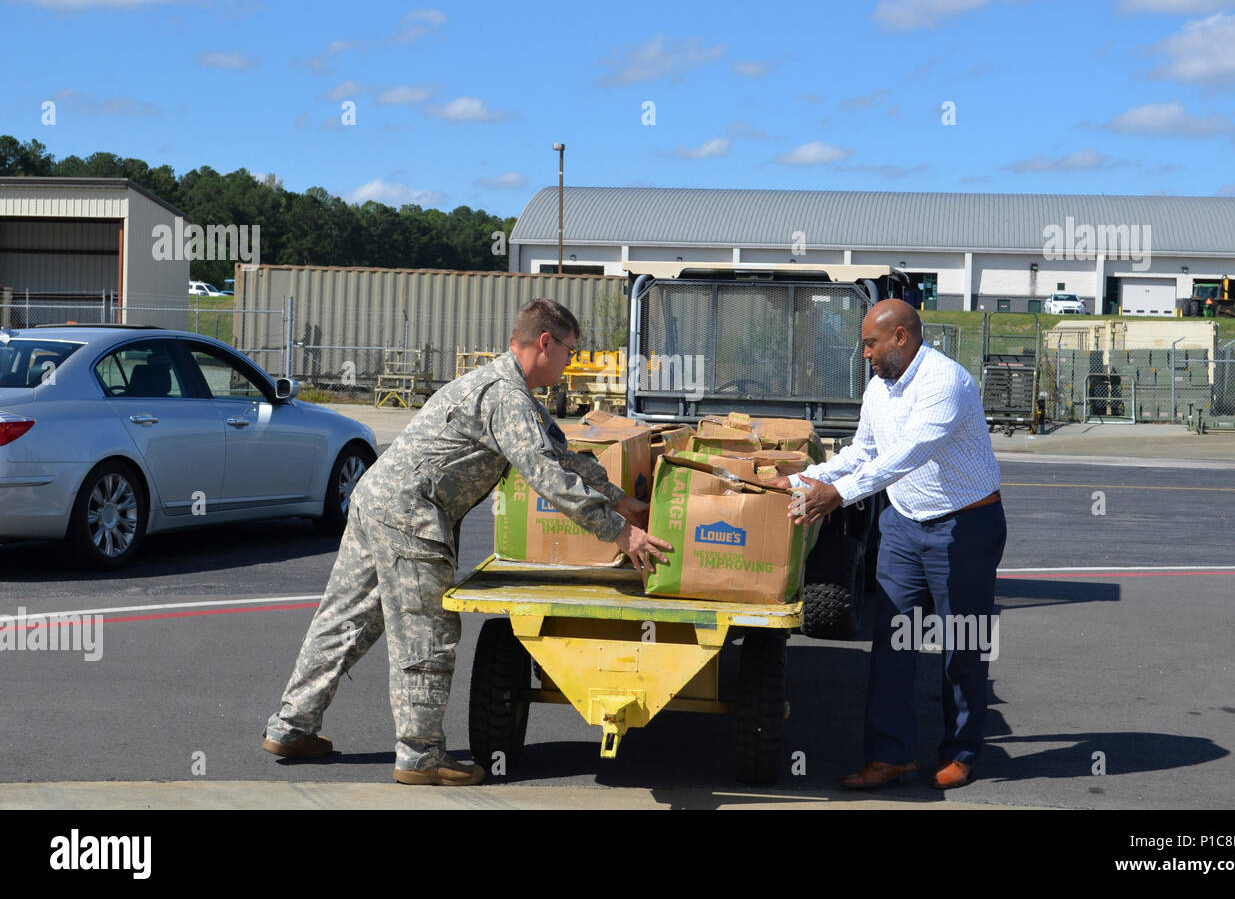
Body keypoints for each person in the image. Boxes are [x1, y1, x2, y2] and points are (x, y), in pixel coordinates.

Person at [262, 298, 671, 785]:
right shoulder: (506, 396)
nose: (570, 363)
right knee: (427, 633)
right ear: (545, 343)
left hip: (377, 500)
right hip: (412, 514)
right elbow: (544, 476)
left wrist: (622, 501)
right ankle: (420, 756)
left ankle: (291, 726)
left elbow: (562, 457)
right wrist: (621, 532)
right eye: (569, 351)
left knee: (344, 619)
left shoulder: (506, 390)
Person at [773, 299, 1005, 791]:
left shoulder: (946, 382)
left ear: (901, 337)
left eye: (870, 343)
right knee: (893, 643)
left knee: (960, 644)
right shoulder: (880, 386)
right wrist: (803, 477)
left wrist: (839, 493)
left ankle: (961, 752)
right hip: (903, 525)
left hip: (964, 528)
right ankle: (889, 756)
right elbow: (866, 450)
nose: (864, 354)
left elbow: (909, 454)